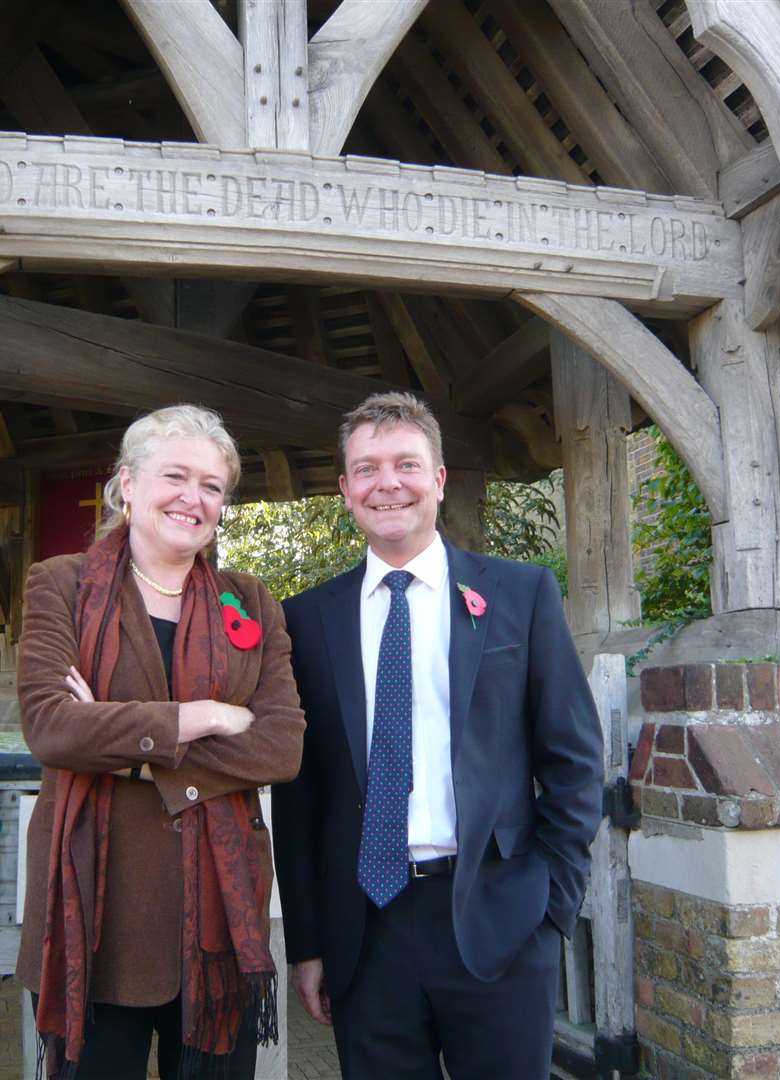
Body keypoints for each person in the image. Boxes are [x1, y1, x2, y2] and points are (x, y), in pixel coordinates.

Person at [272, 391, 604, 1079]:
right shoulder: (306, 621)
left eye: (406, 464)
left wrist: (552, 910)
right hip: (366, 932)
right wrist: (308, 943)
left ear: (439, 479)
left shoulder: (520, 595)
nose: (386, 483)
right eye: (365, 469)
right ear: (344, 489)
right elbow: (300, 797)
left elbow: (573, 762)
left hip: (498, 921)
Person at [15, 404, 305, 1079]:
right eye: (175, 475)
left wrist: (124, 748)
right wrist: (202, 716)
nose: (192, 498)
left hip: (219, 931)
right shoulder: (61, 585)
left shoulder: (251, 602)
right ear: (128, 484)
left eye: (211, 486)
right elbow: (53, 727)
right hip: (98, 923)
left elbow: (281, 746)